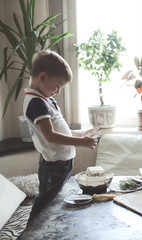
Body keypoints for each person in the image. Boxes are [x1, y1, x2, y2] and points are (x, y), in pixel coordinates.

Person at [23, 50, 100, 222]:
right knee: (45, 202)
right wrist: (81, 142)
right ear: (43, 77)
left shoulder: (45, 99)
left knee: (54, 200)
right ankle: (32, 232)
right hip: (54, 167)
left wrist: (81, 134)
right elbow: (50, 136)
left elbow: (60, 131)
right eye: (57, 86)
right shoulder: (36, 103)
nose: (58, 91)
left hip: (61, 164)